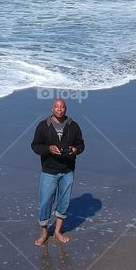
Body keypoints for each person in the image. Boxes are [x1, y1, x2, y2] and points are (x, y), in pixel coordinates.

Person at [31, 98, 85, 246]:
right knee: (45, 202)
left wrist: (75, 150)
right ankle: (44, 233)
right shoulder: (43, 126)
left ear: (66, 109)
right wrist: (48, 149)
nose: (59, 109)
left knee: (64, 202)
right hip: (49, 171)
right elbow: (35, 146)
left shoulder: (73, 126)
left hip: (68, 171)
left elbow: (81, 144)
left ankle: (57, 232)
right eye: (57, 107)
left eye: (62, 107)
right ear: (52, 109)